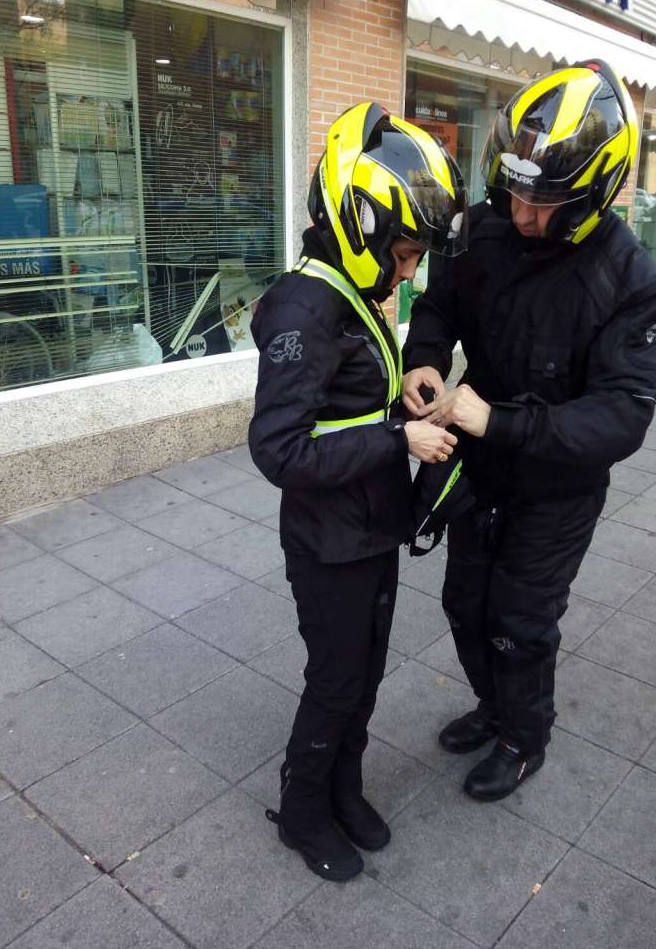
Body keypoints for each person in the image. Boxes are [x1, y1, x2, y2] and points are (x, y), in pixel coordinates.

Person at [401, 60, 656, 802]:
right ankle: (493, 709)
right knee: (465, 604)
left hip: (556, 488)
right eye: (514, 192)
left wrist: (499, 419)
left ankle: (525, 737)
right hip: (480, 468)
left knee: (519, 621)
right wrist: (423, 360)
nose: (520, 214)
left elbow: (624, 413)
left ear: (594, 193)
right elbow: (439, 305)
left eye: (543, 203)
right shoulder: (486, 226)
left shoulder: (632, 280)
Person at [249, 102, 468, 881]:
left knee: (366, 675)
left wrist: (399, 402)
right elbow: (279, 449)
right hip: (328, 544)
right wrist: (396, 439)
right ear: (359, 225)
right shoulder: (302, 308)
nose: (408, 273)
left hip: (370, 528)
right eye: (404, 255)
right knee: (336, 680)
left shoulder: (347, 291)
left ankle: (344, 787)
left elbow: (344, 409)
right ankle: (303, 810)